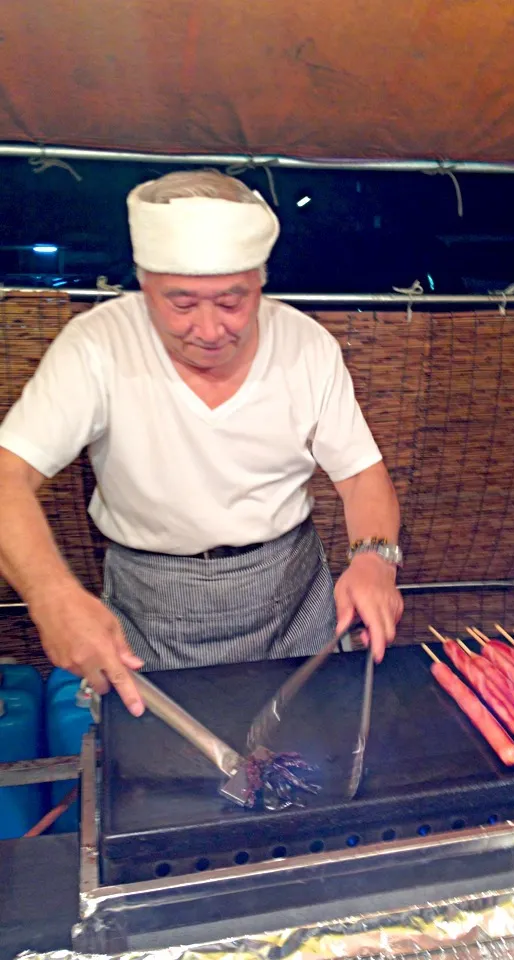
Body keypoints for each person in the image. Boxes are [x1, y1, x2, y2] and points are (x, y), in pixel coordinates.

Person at [0, 170, 403, 716]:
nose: (210, 330)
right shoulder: (97, 346)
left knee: (314, 745)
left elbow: (359, 476)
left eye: (233, 301)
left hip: (291, 592)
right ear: (145, 284)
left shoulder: (306, 346)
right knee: (170, 780)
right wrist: (52, 598)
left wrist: (375, 559)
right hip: (152, 606)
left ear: (260, 282)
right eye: (182, 304)